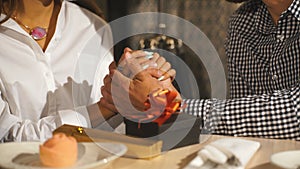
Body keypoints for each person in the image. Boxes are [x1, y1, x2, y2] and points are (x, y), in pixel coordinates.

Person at [101, 0, 300, 140]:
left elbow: (296, 113)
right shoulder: (244, 22)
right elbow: (245, 123)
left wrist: (169, 106)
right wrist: (149, 83)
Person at [0, 0, 174, 142]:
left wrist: (143, 80)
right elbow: (7, 137)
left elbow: (110, 127)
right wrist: (107, 106)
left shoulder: (93, 26)